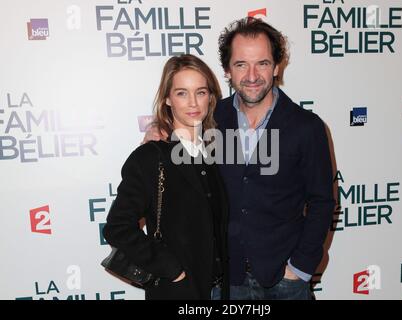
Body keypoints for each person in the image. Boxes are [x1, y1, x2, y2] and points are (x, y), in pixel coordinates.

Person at [144, 17, 335, 300]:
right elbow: (173, 147)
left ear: (277, 67)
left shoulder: (306, 127)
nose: (252, 75)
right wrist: (158, 128)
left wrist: (300, 267)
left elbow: (322, 202)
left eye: (263, 63)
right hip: (223, 280)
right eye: (241, 64)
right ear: (227, 71)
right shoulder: (208, 120)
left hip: (284, 281)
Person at [103, 54, 229, 300]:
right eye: (182, 93)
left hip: (220, 291)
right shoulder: (150, 157)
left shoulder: (217, 152)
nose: (193, 102)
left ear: (211, 97)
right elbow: (117, 227)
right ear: (167, 99)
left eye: (201, 92)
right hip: (177, 291)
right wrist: (171, 269)